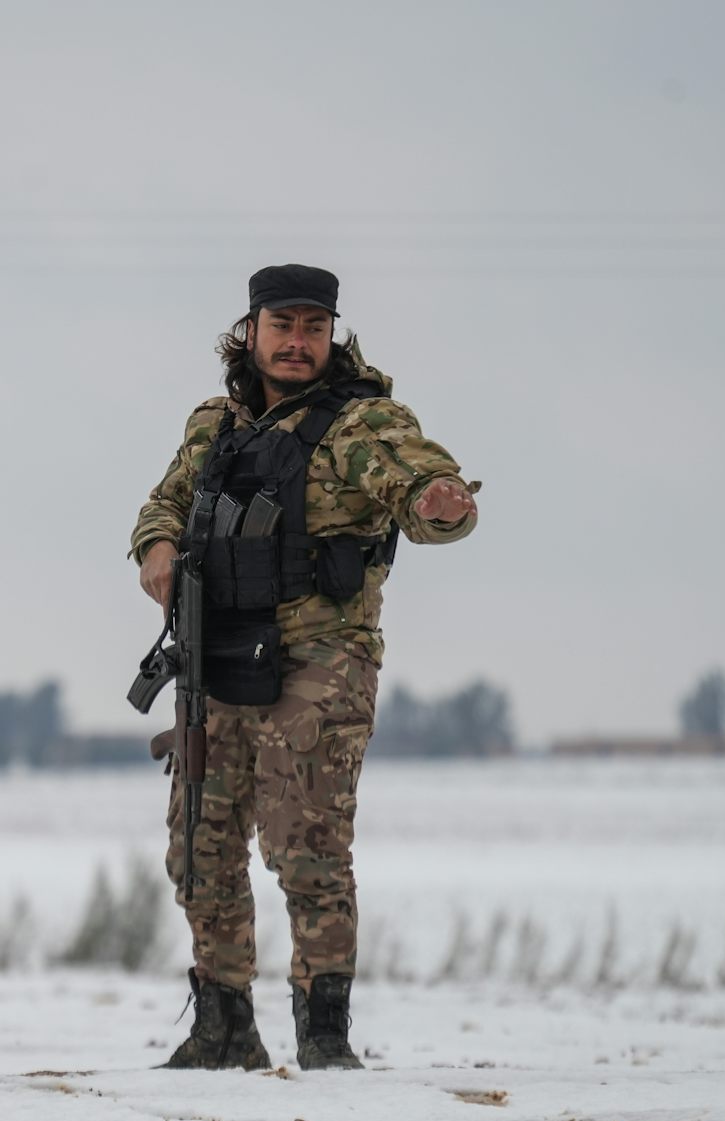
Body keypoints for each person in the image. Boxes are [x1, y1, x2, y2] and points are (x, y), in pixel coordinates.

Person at [129, 264, 480, 1070]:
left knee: (307, 843)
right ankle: (223, 1029)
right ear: (249, 331)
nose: (297, 343)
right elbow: (165, 503)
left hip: (320, 658)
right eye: (282, 327)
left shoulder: (363, 426)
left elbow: (418, 479)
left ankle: (323, 1038)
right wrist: (155, 549)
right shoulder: (213, 426)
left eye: (313, 329)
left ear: (332, 336)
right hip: (218, 649)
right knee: (199, 843)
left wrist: (440, 503)